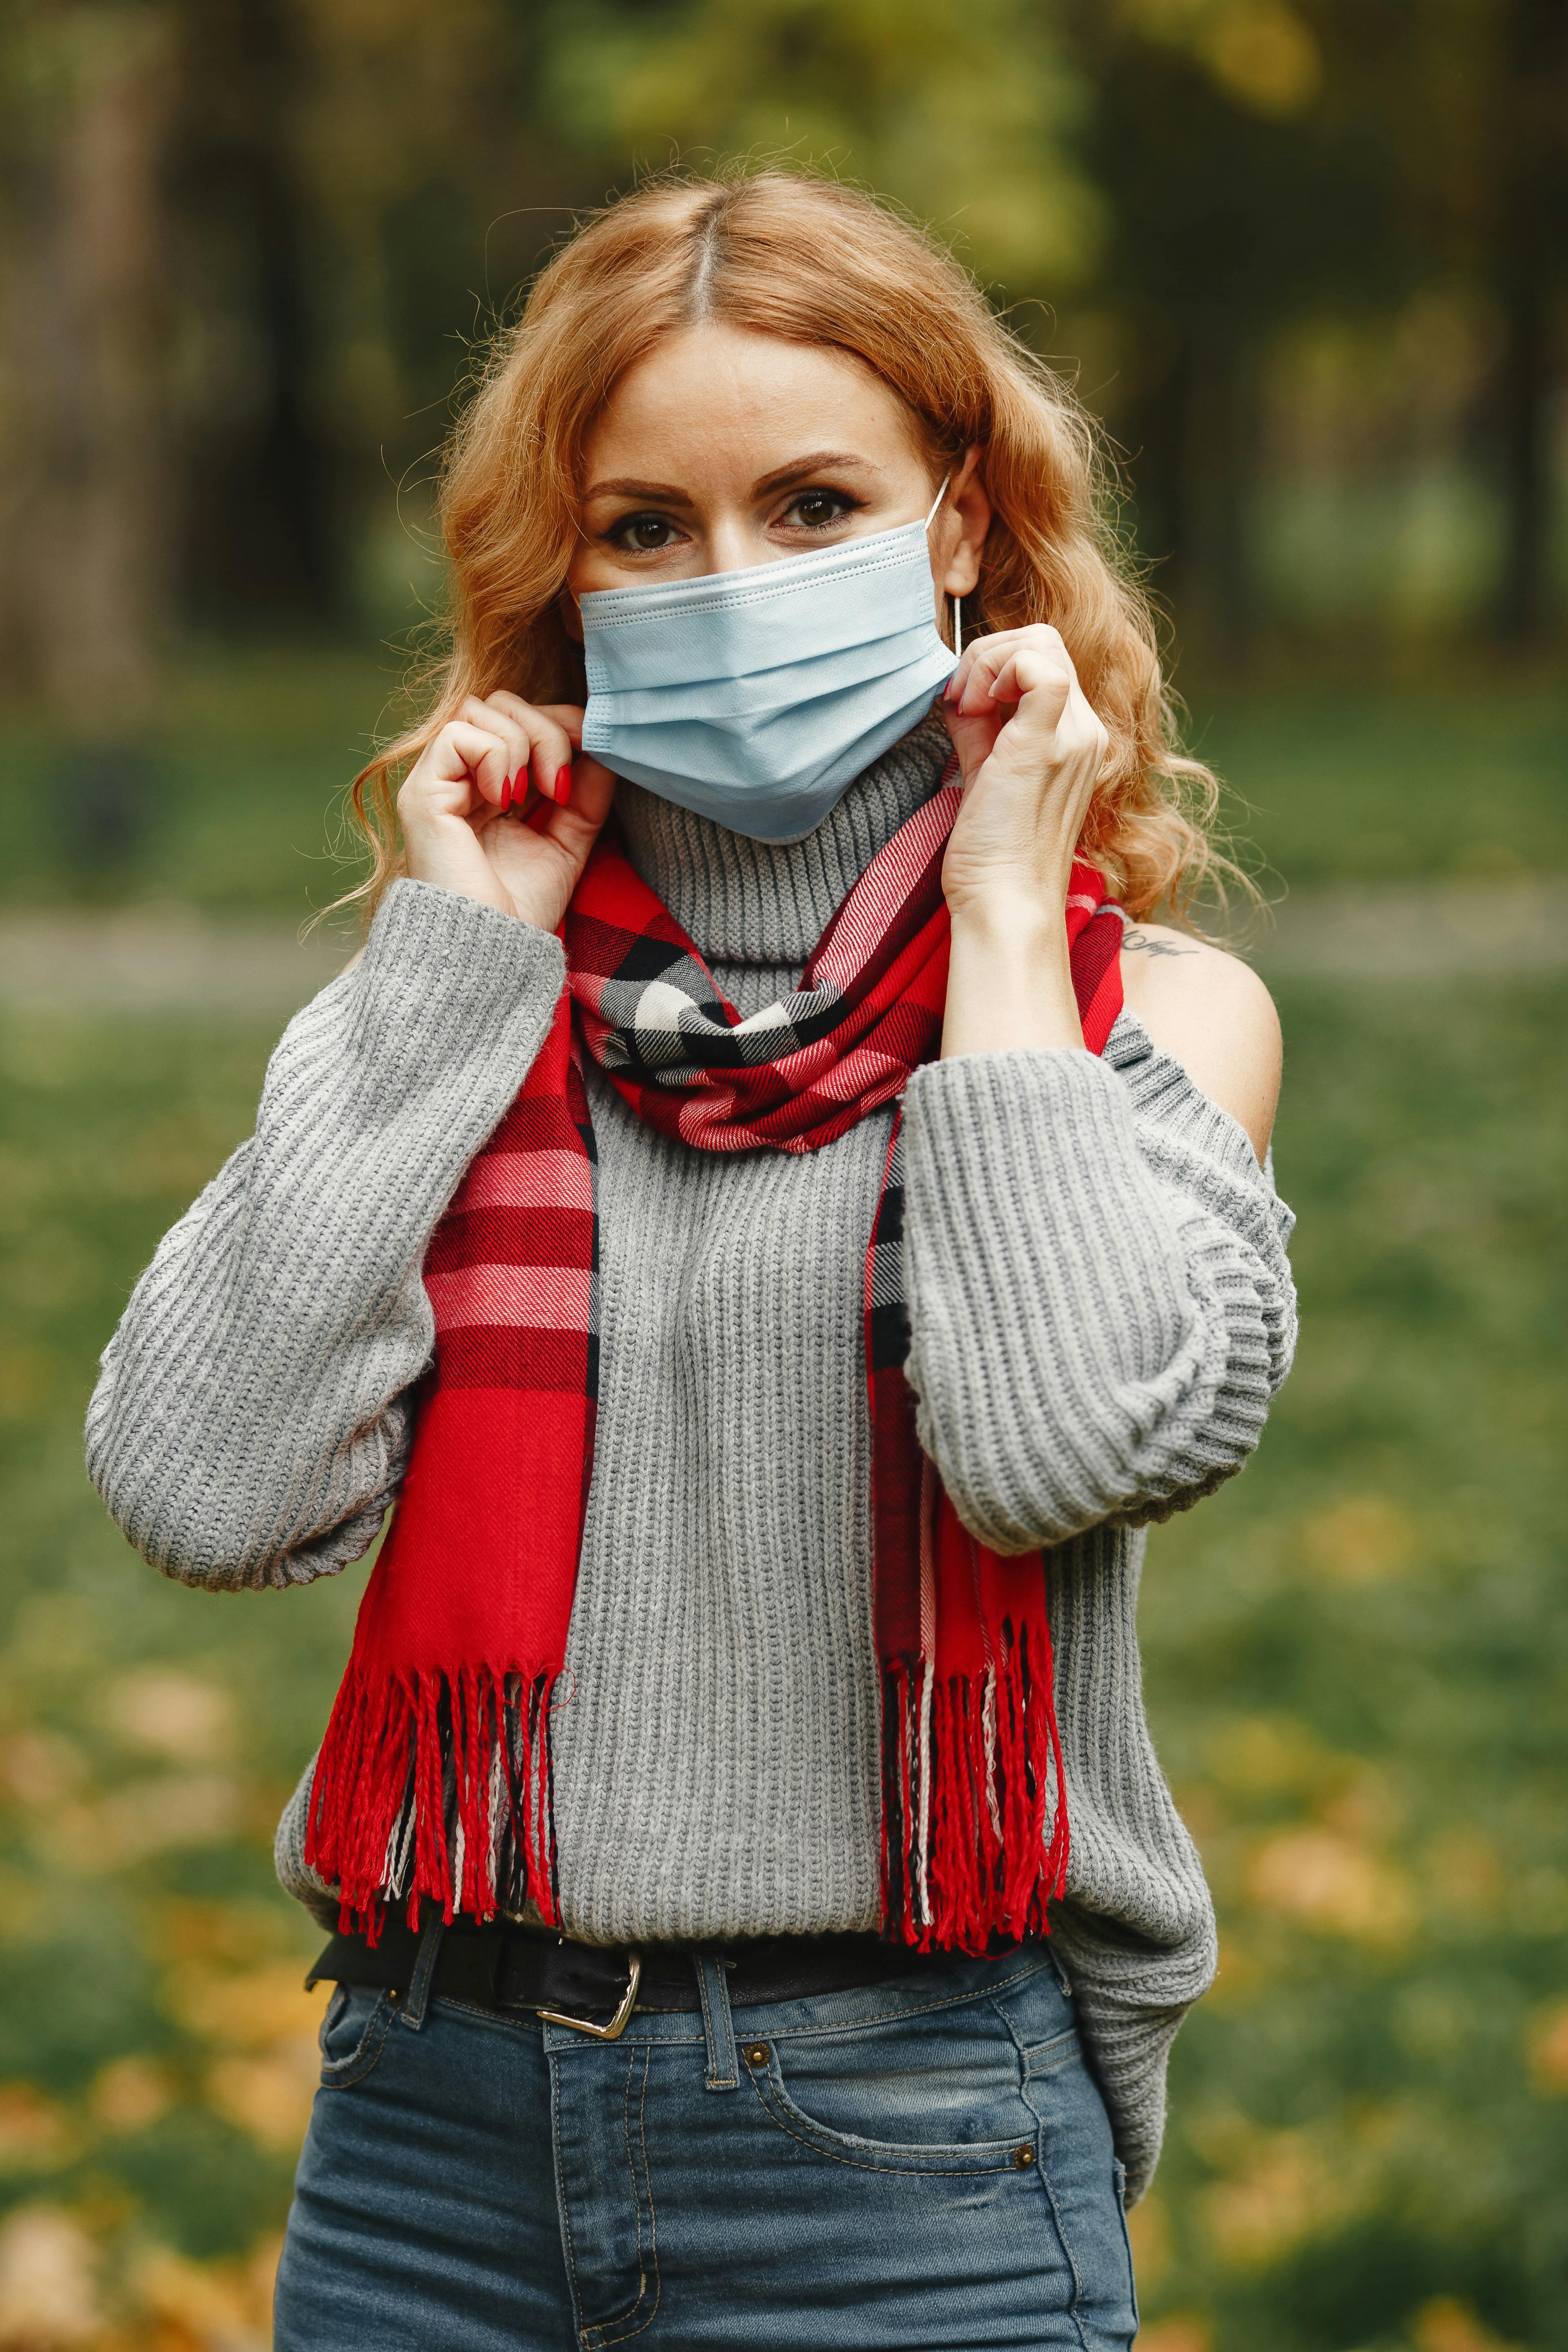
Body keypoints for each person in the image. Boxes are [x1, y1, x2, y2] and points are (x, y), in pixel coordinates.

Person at [87, 167, 1294, 2352]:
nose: (729, 578)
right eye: (648, 526)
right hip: (424, 2139)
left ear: (957, 520)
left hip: (901, 2148)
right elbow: (203, 1486)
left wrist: (1007, 930)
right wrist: (455, 966)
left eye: (813, 502)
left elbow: (1040, 1452)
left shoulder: (1149, 1016)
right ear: (568, 567)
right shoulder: (458, 999)